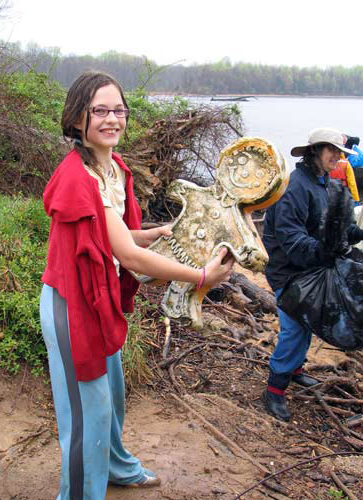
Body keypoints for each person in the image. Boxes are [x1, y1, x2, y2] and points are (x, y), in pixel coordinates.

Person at [39, 71, 234, 500]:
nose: (113, 119)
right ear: (77, 119)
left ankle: (114, 467)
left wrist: (151, 233)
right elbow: (127, 257)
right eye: (100, 111)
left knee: (112, 398)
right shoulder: (79, 178)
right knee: (86, 414)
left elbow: (115, 240)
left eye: (119, 110)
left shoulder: (111, 168)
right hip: (71, 305)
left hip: (97, 297)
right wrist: (201, 277)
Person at [261, 127, 363, 422]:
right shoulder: (294, 187)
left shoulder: (324, 183)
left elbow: (339, 227)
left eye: (341, 153)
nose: (338, 158)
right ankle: (274, 390)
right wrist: (326, 251)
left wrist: (355, 233)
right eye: (332, 151)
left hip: (311, 268)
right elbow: (291, 240)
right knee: (294, 328)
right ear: (315, 151)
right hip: (288, 272)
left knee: (308, 321)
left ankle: (295, 371)